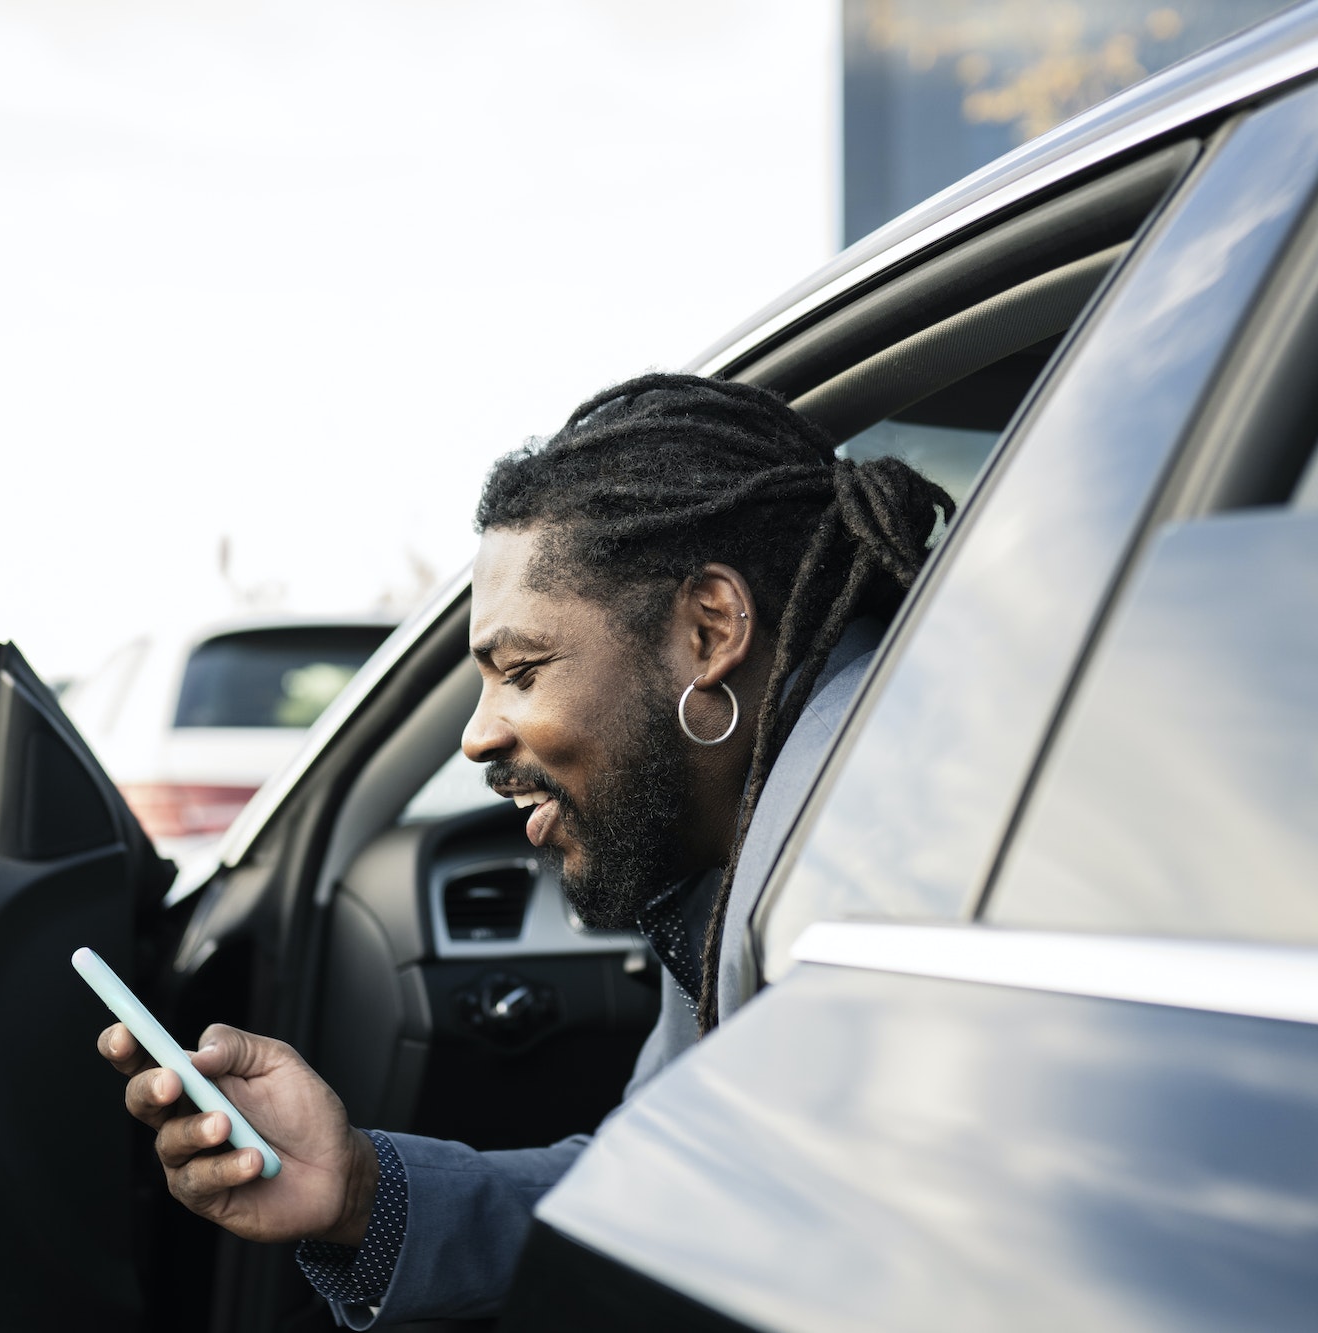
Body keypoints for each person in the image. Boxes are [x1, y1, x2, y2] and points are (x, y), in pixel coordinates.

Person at [98, 373, 952, 1326]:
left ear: (710, 629)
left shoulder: (866, 852)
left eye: (522, 670)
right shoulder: (745, 838)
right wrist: (361, 1193)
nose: (476, 735)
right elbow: (661, 1190)